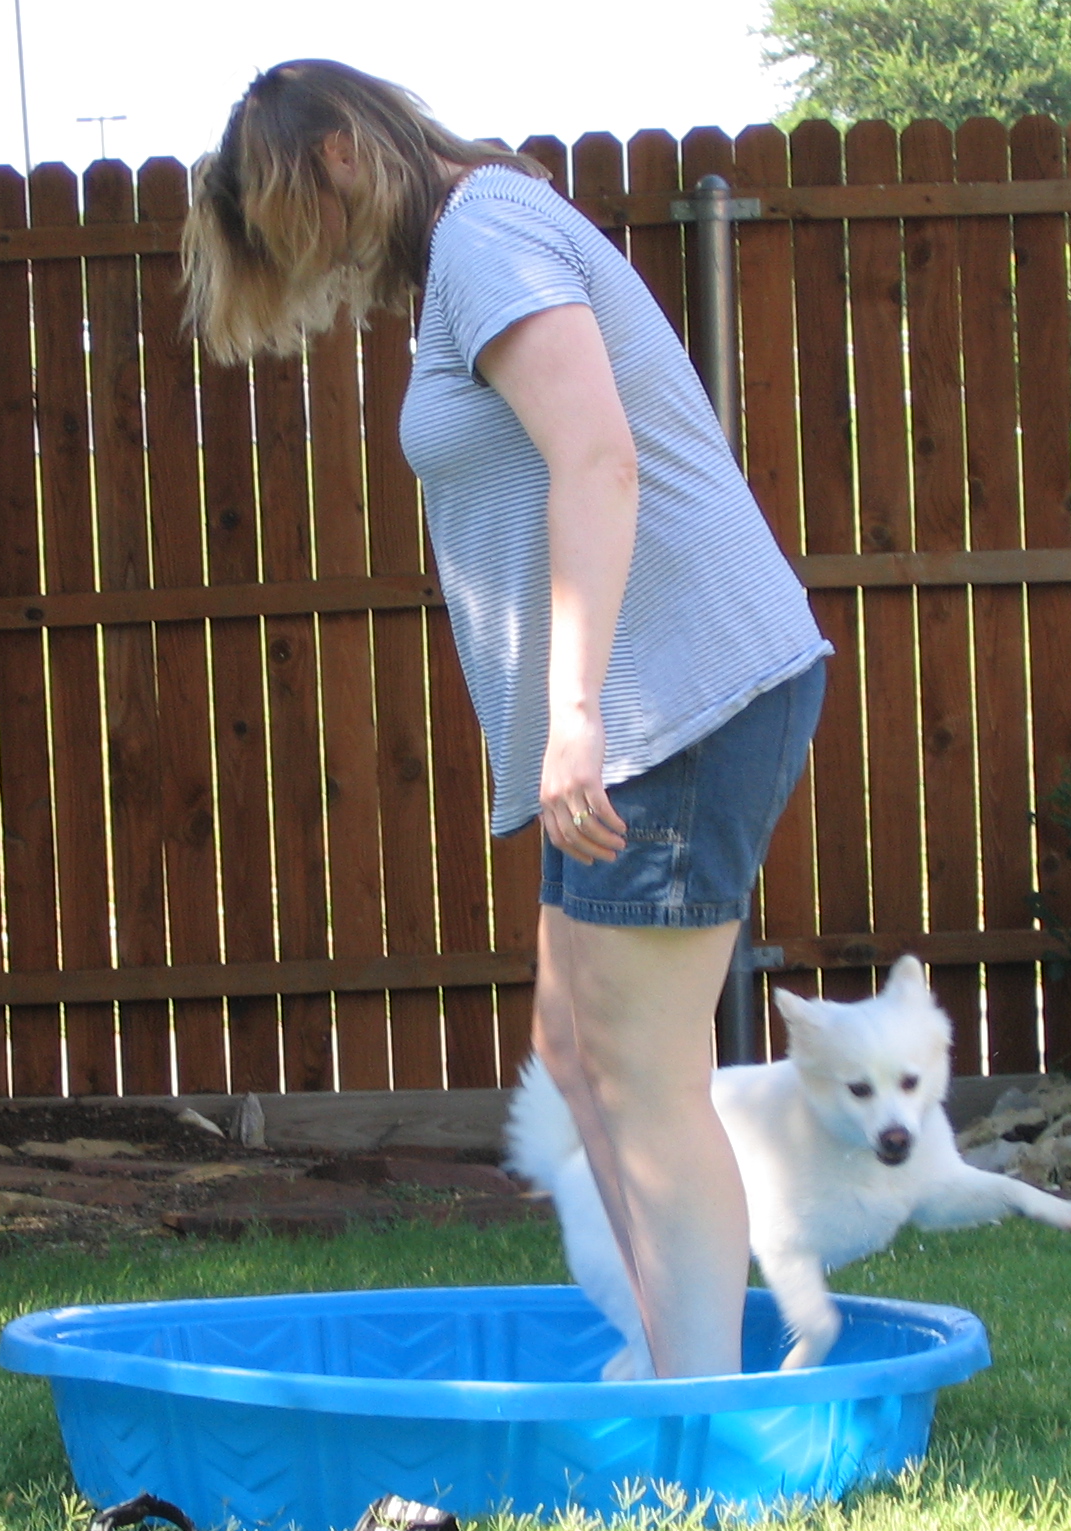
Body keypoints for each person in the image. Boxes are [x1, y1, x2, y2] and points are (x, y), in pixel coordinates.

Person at [184, 61, 831, 1378]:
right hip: (637, 712)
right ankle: (669, 1358)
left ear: (341, 155)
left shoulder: (487, 234)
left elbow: (599, 455)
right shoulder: (469, 250)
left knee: (643, 1077)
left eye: (298, 221)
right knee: (578, 1056)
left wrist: (576, 716)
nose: (313, 259)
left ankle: (696, 1417)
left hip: (673, 701)